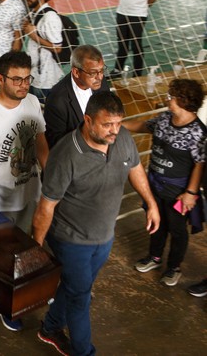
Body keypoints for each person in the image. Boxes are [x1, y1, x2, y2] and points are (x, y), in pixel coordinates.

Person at [32, 91, 160, 356]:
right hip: (71, 239)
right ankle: (83, 352)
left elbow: (134, 167)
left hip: (104, 235)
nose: (114, 130)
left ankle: (50, 328)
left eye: (117, 123)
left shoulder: (122, 137)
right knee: (80, 297)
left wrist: (151, 203)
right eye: (106, 124)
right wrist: (36, 247)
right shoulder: (65, 155)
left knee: (75, 286)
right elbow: (46, 207)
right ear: (88, 120)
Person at [0, 51, 47, 332]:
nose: (23, 85)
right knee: (2, 258)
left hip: (30, 192)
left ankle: (23, 293)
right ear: (0, 78)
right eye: (16, 80)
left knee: (26, 249)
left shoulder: (32, 102)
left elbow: (40, 142)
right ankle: (5, 305)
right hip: (0, 201)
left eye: (27, 79)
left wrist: (48, 177)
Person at [124, 79, 206, 286]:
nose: (167, 99)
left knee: (177, 229)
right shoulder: (164, 118)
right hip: (155, 184)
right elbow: (144, 126)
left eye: (171, 96)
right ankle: (154, 257)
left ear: (183, 100)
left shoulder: (197, 132)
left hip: (177, 191)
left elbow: (200, 164)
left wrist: (191, 193)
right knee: (156, 222)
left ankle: (174, 267)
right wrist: (118, 125)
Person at [44, 44, 111, 149]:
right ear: (76, 72)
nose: (99, 77)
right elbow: (56, 143)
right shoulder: (57, 99)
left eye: (102, 70)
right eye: (92, 73)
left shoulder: (102, 83)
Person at [109, 0, 158, 78]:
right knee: (122, 44)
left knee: (136, 45)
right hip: (121, 12)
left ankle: (137, 74)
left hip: (138, 15)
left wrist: (139, 6)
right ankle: (117, 70)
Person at [22, 0, 63, 103]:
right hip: (36, 76)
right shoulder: (35, 13)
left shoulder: (50, 18)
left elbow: (57, 48)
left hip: (46, 81)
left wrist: (34, 37)